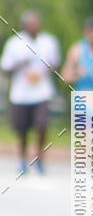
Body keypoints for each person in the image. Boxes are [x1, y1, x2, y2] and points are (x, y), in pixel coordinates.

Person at [1, 11, 61, 175]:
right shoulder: (15, 43)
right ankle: (22, 158)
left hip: (42, 92)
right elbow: (5, 68)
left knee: (42, 125)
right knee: (22, 129)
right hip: (21, 94)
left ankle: (40, 158)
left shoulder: (48, 41)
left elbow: (55, 64)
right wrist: (19, 64)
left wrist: (48, 70)